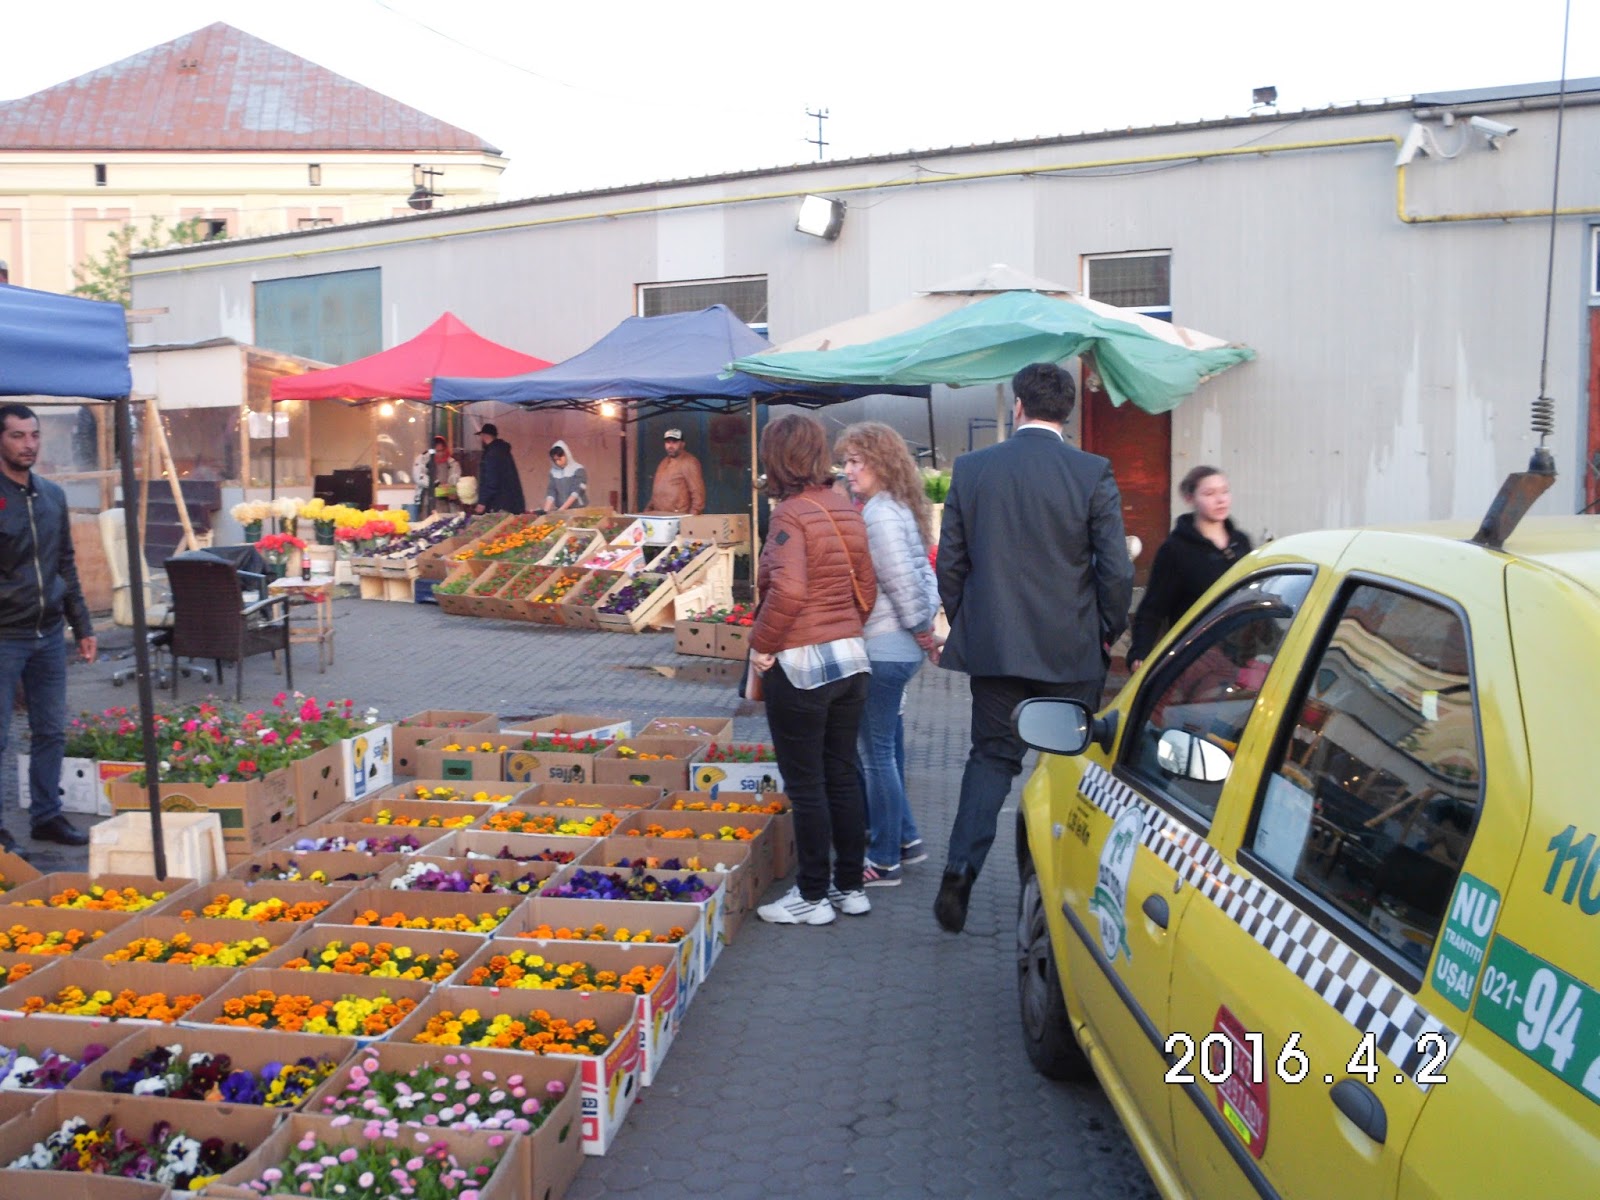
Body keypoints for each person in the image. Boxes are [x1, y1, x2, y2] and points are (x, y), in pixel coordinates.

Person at [934, 363, 1133, 933]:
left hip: (997, 648)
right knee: (1069, 766)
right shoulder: (1091, 471)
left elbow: (951, 562)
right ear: (1066, 412)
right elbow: (1116, 569)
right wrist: (1107, 629)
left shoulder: (973, 470)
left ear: (1018, 406)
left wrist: (970, 621)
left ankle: (959, 872)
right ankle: (1069, 889)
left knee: (991, 759)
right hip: (1071, 647)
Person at [750, 414, 878, 927]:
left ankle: (811, 895)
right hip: (851, 658)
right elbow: (865, 583)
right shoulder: (844, 506)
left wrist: (763, 643)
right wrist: (848, 624)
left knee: (806, 785)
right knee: (841, 773)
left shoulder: (788, 516)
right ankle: (850, 887)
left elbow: (790, 591)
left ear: (776, 458)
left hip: (802, 664)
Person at [835, 422, 940, 888]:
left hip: (884, 647)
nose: (848, 471)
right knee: (889, 746)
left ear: (880, 463)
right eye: (847, 462)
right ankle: (907, 840)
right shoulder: (899, 507)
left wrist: (921, 630)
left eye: (856, 461)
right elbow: (924, 571)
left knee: (875, 754)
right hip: (898, 645)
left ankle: (883, 860)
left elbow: (899, 579)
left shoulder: (878, 515)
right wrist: (925, 624)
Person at [0, 404, 96, 850]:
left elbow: (65, 564)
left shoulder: (52, 495)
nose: (29, 444)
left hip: (48, 633)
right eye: (18, 436)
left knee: (51, 729)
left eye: (34, 435)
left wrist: (83, 625)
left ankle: (46, 816)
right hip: (4, 634)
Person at [1127, 465, 1253, 671]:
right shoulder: (1176, 550)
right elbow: (1153, 609)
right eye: (1209, 493)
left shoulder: (1241, 542)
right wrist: (1140, 653)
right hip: (1198, 659)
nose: (1221, 499)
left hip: (1243, 657)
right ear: (1190, 498)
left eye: (1224, 491)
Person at [646, 428, 705, 515]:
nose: (670, 446)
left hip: (678, 518)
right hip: (659, 516)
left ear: (682, 444)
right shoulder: (663, 462)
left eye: (674, 442)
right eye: (668, 442)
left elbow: (698, 494)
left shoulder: (689, 462)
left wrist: (691, 519)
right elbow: (657, 491)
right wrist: (647, 510)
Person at [473, 423, 525, 515]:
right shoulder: (502, 450)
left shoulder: (491, 454)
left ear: (484, 436)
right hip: (512, 501)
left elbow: (491, 480)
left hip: (499, 503)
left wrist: (482, 502)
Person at [412, 435, 461, 517]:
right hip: (428, 503)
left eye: (442, 450)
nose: (440, 454)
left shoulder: (452, 464)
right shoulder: (423, 461)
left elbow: (457, 480)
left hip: (446, 504)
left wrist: (453, 491)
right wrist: (437, 485)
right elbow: (419, 477)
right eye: (437, 451)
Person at [542, 440, 588, 513]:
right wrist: (545, 511)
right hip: (561, 509)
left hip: (578, 509)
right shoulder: (553, 472)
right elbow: (551, 491)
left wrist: (562, 510)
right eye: (555, 460)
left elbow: (576, 491)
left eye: (559, 459)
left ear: (566, 454)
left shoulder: (578, 469)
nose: (558, 462)